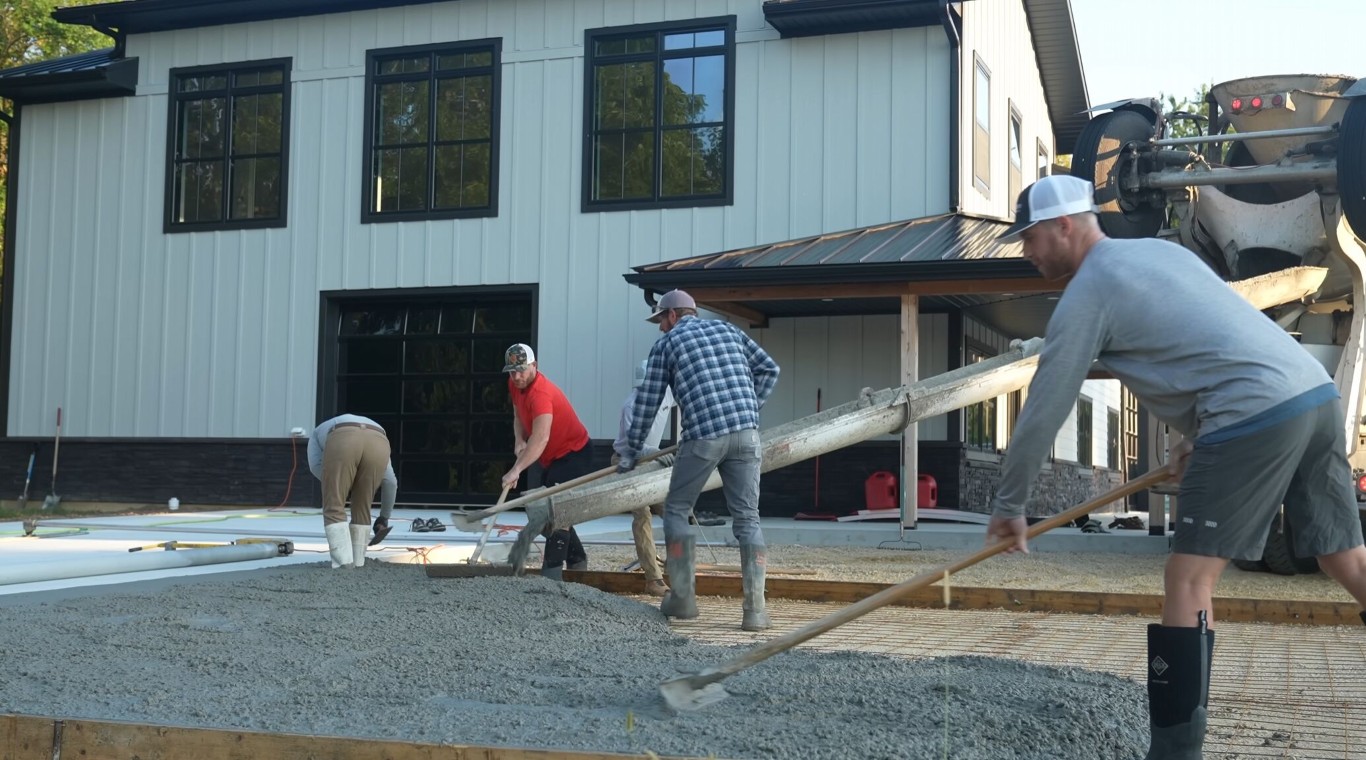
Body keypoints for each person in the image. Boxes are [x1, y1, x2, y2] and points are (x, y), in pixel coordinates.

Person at [985, 174, 1366, 759]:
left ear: (1063, 227)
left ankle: (1174, 755)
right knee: (1347, 558)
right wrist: (1197, 434)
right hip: (1313, 395)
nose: (1027, 252)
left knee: (1188, 579)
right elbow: (1207, 336)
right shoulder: (1158, 255)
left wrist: (1009, 505)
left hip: (1252, 411)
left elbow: (1046, 403)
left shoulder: (1089, 291)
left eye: (1031, 238)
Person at [617, 290, 781, 631]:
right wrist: (749, 409)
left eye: (660, 320)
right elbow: (769, 369)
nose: (660, 328)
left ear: (673, 316)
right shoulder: (729, 330)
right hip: (747, 435)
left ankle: (683, 598)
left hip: (704, 437)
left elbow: (647, 403)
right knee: (748, 520)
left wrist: (631, 452)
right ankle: (755, 613)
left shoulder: (667, 344)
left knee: (676, 509)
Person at [501, 343, 592, 580]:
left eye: (522, 370)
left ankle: (550, 578)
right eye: (512, 371)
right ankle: (577, 560)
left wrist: (516, 470)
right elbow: (517, 414)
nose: (517, 376)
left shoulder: (541, 394)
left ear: (535, 366)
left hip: (574, 454)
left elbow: (541, 439)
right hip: (552, 458)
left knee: (555, 512)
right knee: (544, 510)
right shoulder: (514, 383)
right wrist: (519, 438)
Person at [613, 360, 678, 596]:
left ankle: (676, 566)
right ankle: (653, 579)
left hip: (652, 460)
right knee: (643, 515)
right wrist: (660, 454)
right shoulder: (632, 406)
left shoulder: (666, 393)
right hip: (628, 462)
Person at [307, 414, 398, 569]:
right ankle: (358, 561)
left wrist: (339, 485)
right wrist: (384, 518)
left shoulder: (316, 433)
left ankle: (343, 564)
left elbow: (315, 465)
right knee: (362, 507)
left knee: (334, 506)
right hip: (378, 439)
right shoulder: (378, 433)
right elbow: (391, 482)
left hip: (342, 437)